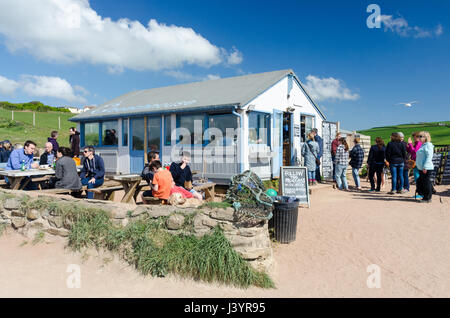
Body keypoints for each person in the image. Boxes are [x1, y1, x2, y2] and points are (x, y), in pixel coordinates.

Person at [415, 131, 434, 203]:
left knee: (425, 182)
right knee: (421, 181)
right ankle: (425, 195)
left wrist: (425, 167)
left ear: (425, 137)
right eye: (418, 136)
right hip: (421, 167)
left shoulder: (428, 145)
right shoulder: (423, 145)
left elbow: (429, 156)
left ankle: (427, 198)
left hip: (426, 167)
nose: (418, 138)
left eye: (420, 136)